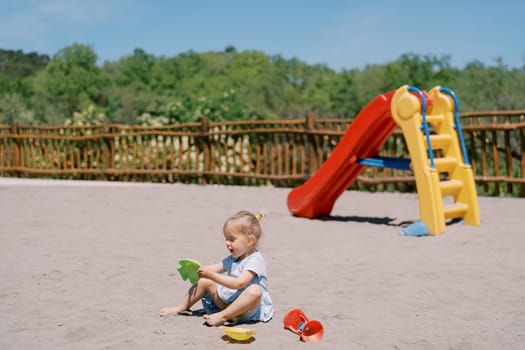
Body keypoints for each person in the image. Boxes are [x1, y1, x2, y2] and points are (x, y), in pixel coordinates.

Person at [159, 211, 273, 326]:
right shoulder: (234, 258)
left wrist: (212, 275)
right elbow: (214, 269)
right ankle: (182, 306)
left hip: (247, 309)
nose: (227, 243)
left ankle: (222, 316)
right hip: (229, 302)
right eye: (226, 239)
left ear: (250, 241)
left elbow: (239, 283)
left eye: (232, 239)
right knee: (205, 281)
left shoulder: (255, 260)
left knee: (255, 291)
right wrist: (201, 270)